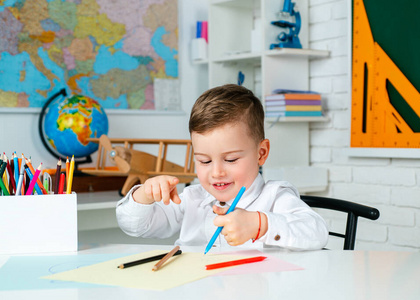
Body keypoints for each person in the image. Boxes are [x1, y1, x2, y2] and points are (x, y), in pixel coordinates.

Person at [116, 84, 328, 250]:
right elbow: (134, 226)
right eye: (204, 161)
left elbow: (317, 232)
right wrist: (144, 195)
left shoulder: (275, 197)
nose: (217, 172)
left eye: (231, 159)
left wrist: (260, 224)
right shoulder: (192, 199)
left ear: (261, 153)